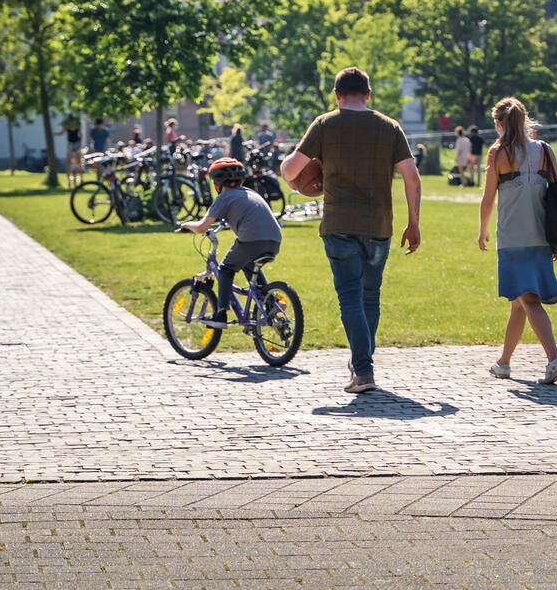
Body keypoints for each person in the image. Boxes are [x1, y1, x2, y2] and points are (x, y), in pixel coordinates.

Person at [281, 67, 422, 394]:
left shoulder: (325, 124)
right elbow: (412, 178)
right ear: (368, 94)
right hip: (379, 225)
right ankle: (363, 361)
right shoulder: (390, 127)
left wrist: (301, 181)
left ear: (337, 95)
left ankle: (363, 369)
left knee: (350, 297)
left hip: (340, 224)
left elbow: (290, 170)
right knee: (370, 296)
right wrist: (414, 222)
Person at [477, 96, 557, 385]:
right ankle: (503, 363)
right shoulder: (544, 150)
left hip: (512, 237)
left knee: (528, 298)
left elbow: (488, 199)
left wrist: (482, 230)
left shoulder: (498, 153)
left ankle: (554, 358)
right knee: (519, 302)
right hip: (541, 235)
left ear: (500, 123)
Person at [179, 157, 283, 320]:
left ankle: (221, 313)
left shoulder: (224, 197)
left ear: (216, 184)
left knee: (226, 270)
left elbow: (201, 227)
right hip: (274, 239)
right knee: (248, 264)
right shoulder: (251, 193)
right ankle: (271, 304)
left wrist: (186, 225)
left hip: (252, 240)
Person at [62, 116, 83, 185]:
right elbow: (61, 132)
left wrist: (80, 145)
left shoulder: (77, 127)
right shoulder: (67, 127)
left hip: (76, 144)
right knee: (69, 164)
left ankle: (81, 179)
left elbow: (81, 135)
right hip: (71, 145)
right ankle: (69, 181)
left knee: (79, 163)